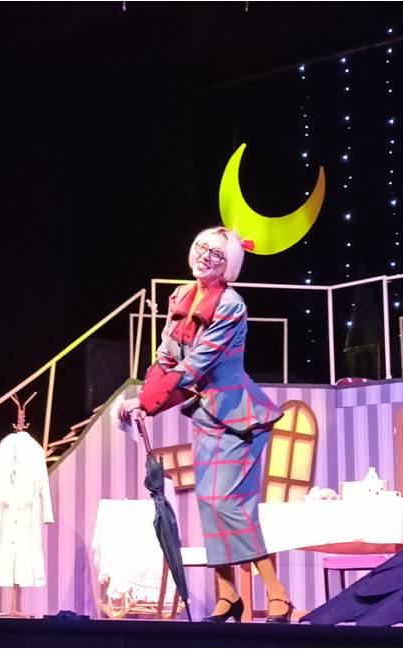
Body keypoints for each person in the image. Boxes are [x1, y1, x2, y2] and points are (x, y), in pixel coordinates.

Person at [117, 226, 291, 623]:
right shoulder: (181, 295)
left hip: (239, 418)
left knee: (229, 503)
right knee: (209, 504)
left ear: (229, 264)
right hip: (206, 415)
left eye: (216, 254)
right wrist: (145, 398)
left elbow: (198, 364)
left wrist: (147, 402)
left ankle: (277, 593)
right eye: (201, 248)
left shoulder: (231, 305)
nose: (204, 257)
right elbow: (166, 356)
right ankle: (228, 595)